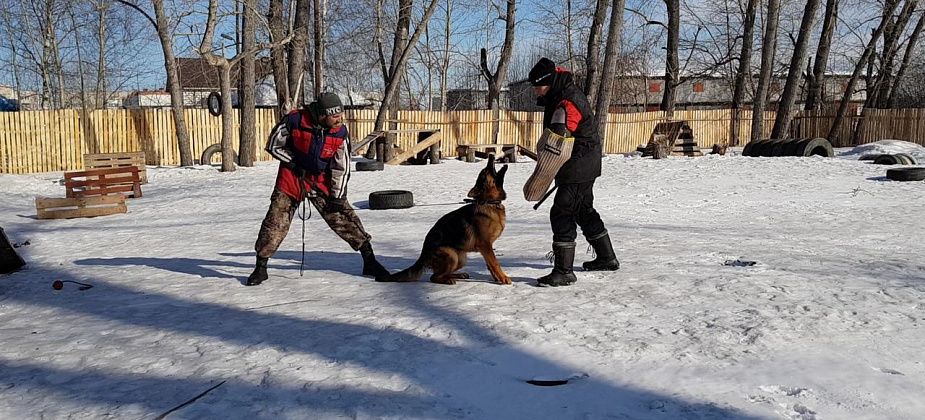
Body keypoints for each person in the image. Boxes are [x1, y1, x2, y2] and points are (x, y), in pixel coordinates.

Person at [246, 92, 389, 286]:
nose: (339, 119)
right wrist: (294, 163)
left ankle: (370, 261)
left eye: (341, 114)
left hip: (321, 180)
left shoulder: (340, 133)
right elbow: (274, 145)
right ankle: (260, 267)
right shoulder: (294, 121)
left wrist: (338, 197)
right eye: (335, 116)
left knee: (345, 218)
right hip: (292, 178)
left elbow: (342, 166)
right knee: (275, 223)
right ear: (322, 115)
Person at [528, 57, 620, 287]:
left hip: (578, 164)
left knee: (562, 212)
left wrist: (544, 170)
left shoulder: (567, 101)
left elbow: (558, 139)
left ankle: (564, 271)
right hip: (584, 162)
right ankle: (607, 258)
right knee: (583, 210)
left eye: (538, 87)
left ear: (549, 82)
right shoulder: (561, 93)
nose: (536, 92)